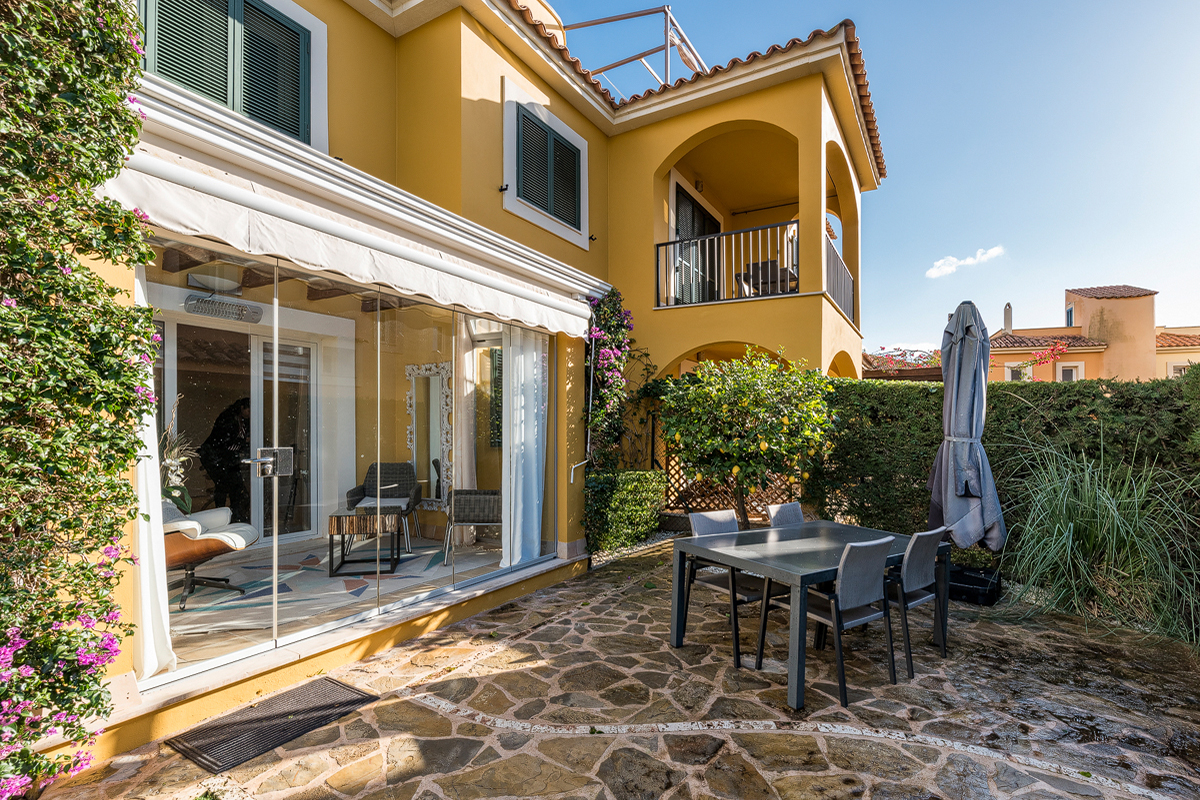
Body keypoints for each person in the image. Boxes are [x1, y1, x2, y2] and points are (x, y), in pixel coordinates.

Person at [199, 398, 252, 523]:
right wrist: (244, 441)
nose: (250, 414)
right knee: (223, 485)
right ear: (242, 408)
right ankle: (222, 515)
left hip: (228, 456)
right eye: (249, 411)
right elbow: (224, 440)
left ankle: (234, 514)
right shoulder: (228, 418)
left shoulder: (243, 420)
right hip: (215, 456)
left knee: (236, 485)